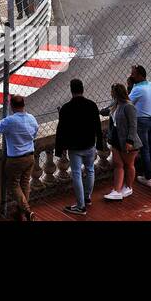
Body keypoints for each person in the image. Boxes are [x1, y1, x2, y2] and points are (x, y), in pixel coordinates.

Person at [55, 78, 104, 216]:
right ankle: (87, 198)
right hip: (89, 144)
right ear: (83, 89)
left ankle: (81, 206)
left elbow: (61, 130)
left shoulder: (66, 108)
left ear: (71, 90)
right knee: (90, 170)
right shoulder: (92, 105)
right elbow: (97, 127)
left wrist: (59, 149)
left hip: (74, 147)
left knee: (76, 174)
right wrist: (99, 143)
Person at [0, 94, 39, 221]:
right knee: (25, 183)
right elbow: (35, 132)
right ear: (24, 105)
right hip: (30, 156)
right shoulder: (32, 118)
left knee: (13, 184)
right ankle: (21, 212)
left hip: (15, 158)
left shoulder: (9, 120)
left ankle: (27, 211)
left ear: (12, 106)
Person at [103, 83, 140, 201]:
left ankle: (128, 187)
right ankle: (117, 190)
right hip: (116, 140)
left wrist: (129, 141)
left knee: (129, 165)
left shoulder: (128, 106)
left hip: (127, 141)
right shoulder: (116, 104)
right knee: (118, 165)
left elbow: (133, 125)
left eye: (112, 91)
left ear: (116, 93)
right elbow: (105, 112)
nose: (111, 93)